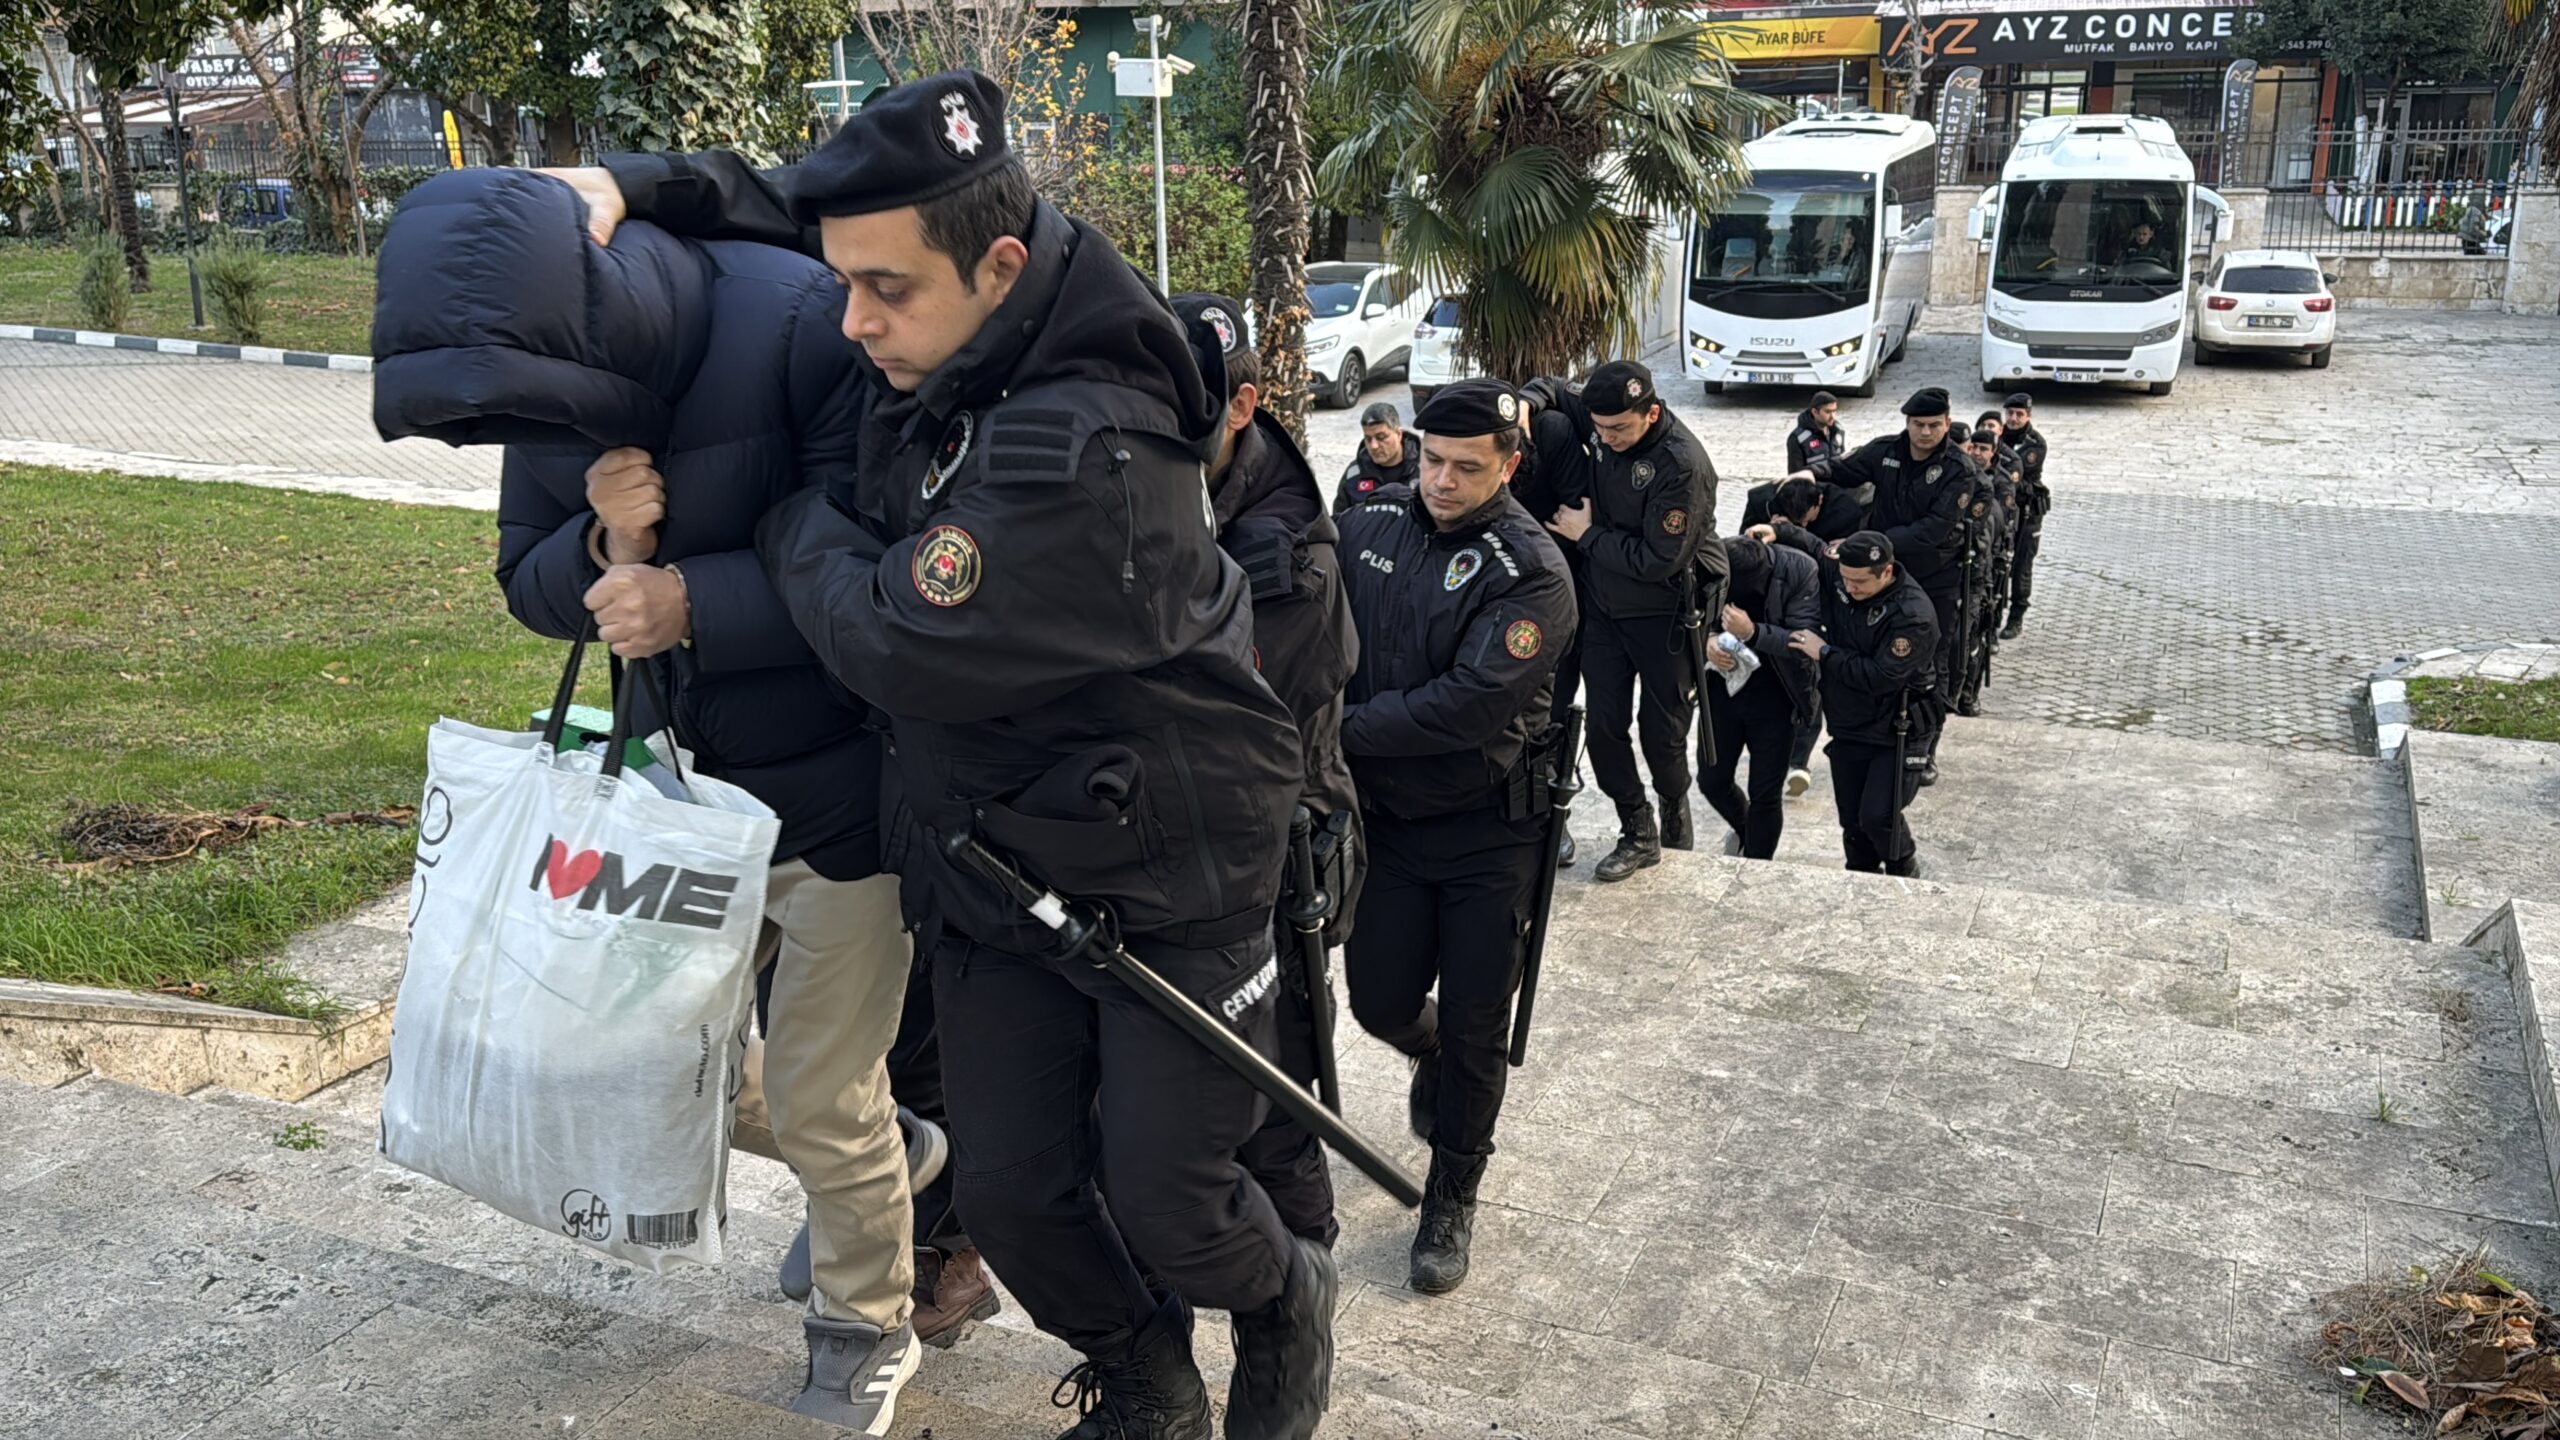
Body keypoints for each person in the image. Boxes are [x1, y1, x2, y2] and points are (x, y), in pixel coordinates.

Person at [543, 72, 1336, 1440]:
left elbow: (893, 639)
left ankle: (1282, 1301)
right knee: (1014, 1197)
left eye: (886, 291)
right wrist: (637, 184)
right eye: (846, 283)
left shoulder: (1084, 438)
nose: (853, 320)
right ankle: (1146, 1377)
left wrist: (793, 511)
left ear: (1001, 267)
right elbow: (796, 207)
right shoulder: (962, 311)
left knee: (1171, 1201)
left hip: (1171, 865)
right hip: (992, 859)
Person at [372, 164, 931, 1434]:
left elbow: (882, 561)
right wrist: (602, 543)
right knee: (637, 1064)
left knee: (819, 1094)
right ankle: (886, 1149)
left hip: (841, 798)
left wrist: (693, 600)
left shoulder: (799, 319)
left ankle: (864, 1323)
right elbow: (526, 581)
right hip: (677, 802)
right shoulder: (536, 378)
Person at [1334, 378, 1575, 1297]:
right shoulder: (1370, 523)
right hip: (1389, 824)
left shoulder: (1531, 571)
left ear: (1508, 466)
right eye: (1432, 460)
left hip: (1489, 833)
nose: (1441, 481)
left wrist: (1332, 732)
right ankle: (1425, 1050)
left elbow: (1466, 707)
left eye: (1467, 468)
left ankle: (1452, 1192)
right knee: (1379, 1002)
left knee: (1479, 1026)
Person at [1170, 291, 1362, 1256]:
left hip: (1273, 848)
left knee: (1274, 1083)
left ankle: (1304, 1275)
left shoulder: (1291, 551)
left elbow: (1223, 713)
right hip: (1178, 848)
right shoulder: (1173, 495)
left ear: (1240, 408)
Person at [1536, 360, 1717, 881]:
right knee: (1604, 727)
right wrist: (1527, 402)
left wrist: (1586, 535)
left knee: (1662, 734)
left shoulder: (1681, 464)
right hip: (1604, 609)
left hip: (1664, 613)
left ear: (1651, 413)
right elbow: (1554, 388)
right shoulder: (1602, 417)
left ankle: (1673, 804)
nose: (1607, 438)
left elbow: (1660, 559)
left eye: (1619, 429)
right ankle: (1637, 828)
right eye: (1599, 428)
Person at [1791, 386, 1980, 785]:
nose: (1925, 432)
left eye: (1933, 425)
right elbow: (1845, 468)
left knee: (1933, 663)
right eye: (1918, 424)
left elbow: (1933, 529)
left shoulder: (1958, 470)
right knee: (1869, 651)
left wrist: (1874, 547)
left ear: (1947, 423)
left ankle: (1925, 747)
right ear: (1907, 423)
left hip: (1933, 576)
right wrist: (1811, 473)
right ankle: (1867, 734)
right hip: (1877, 577)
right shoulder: (1887, 450)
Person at [1784, 531, 1939, 876]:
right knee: (1852, 820)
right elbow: (1816, 548)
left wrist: (1824, 652)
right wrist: (1778, 531)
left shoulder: (1912, 616)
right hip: (1850, 723)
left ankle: (1904, 868)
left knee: (1878, 815)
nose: (1850, 588)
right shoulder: (1846, 573)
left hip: (1897, 725)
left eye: (1860, 582)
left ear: (1886, 572)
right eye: (1846, 579)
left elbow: (1879, 676)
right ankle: (1860, 874)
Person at [1699, 534, 1819, 858]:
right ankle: (1745, 831)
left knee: (1765, 793)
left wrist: (1752, 632)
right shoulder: (1710, 565)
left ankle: (1757, 862)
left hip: (1777, 695)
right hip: (1722, 690)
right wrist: (1706, 641)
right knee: (1712, 780)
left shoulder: (1798, 570)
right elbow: (1685, 616)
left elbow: (1804, 641)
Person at [1999, 391, 2050, 640]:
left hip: (2027, 512)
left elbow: (2015, 472)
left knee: (2021, 565)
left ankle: (2016, 616)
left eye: (2019, 414)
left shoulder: (2035, 443)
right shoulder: (1997, 435)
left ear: (2028, 416)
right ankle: (1994, 615)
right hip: (2003, 510)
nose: (2013, 418)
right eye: (2010, 413)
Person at [1334, 400, 1422, 511]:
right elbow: (1339, 517)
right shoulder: (1354, 474)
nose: (1374, 446)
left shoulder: (1424, 469)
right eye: (1368, 439)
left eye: (1381, 437)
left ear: (1398, 434)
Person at [1785, 390, 1847, 474]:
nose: (1833, 416)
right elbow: (1795, 475)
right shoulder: (1798, 439)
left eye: (1834, 411)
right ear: (1815, 412)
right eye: (1828, 412)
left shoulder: (1838, 431)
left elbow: (1843, 462)